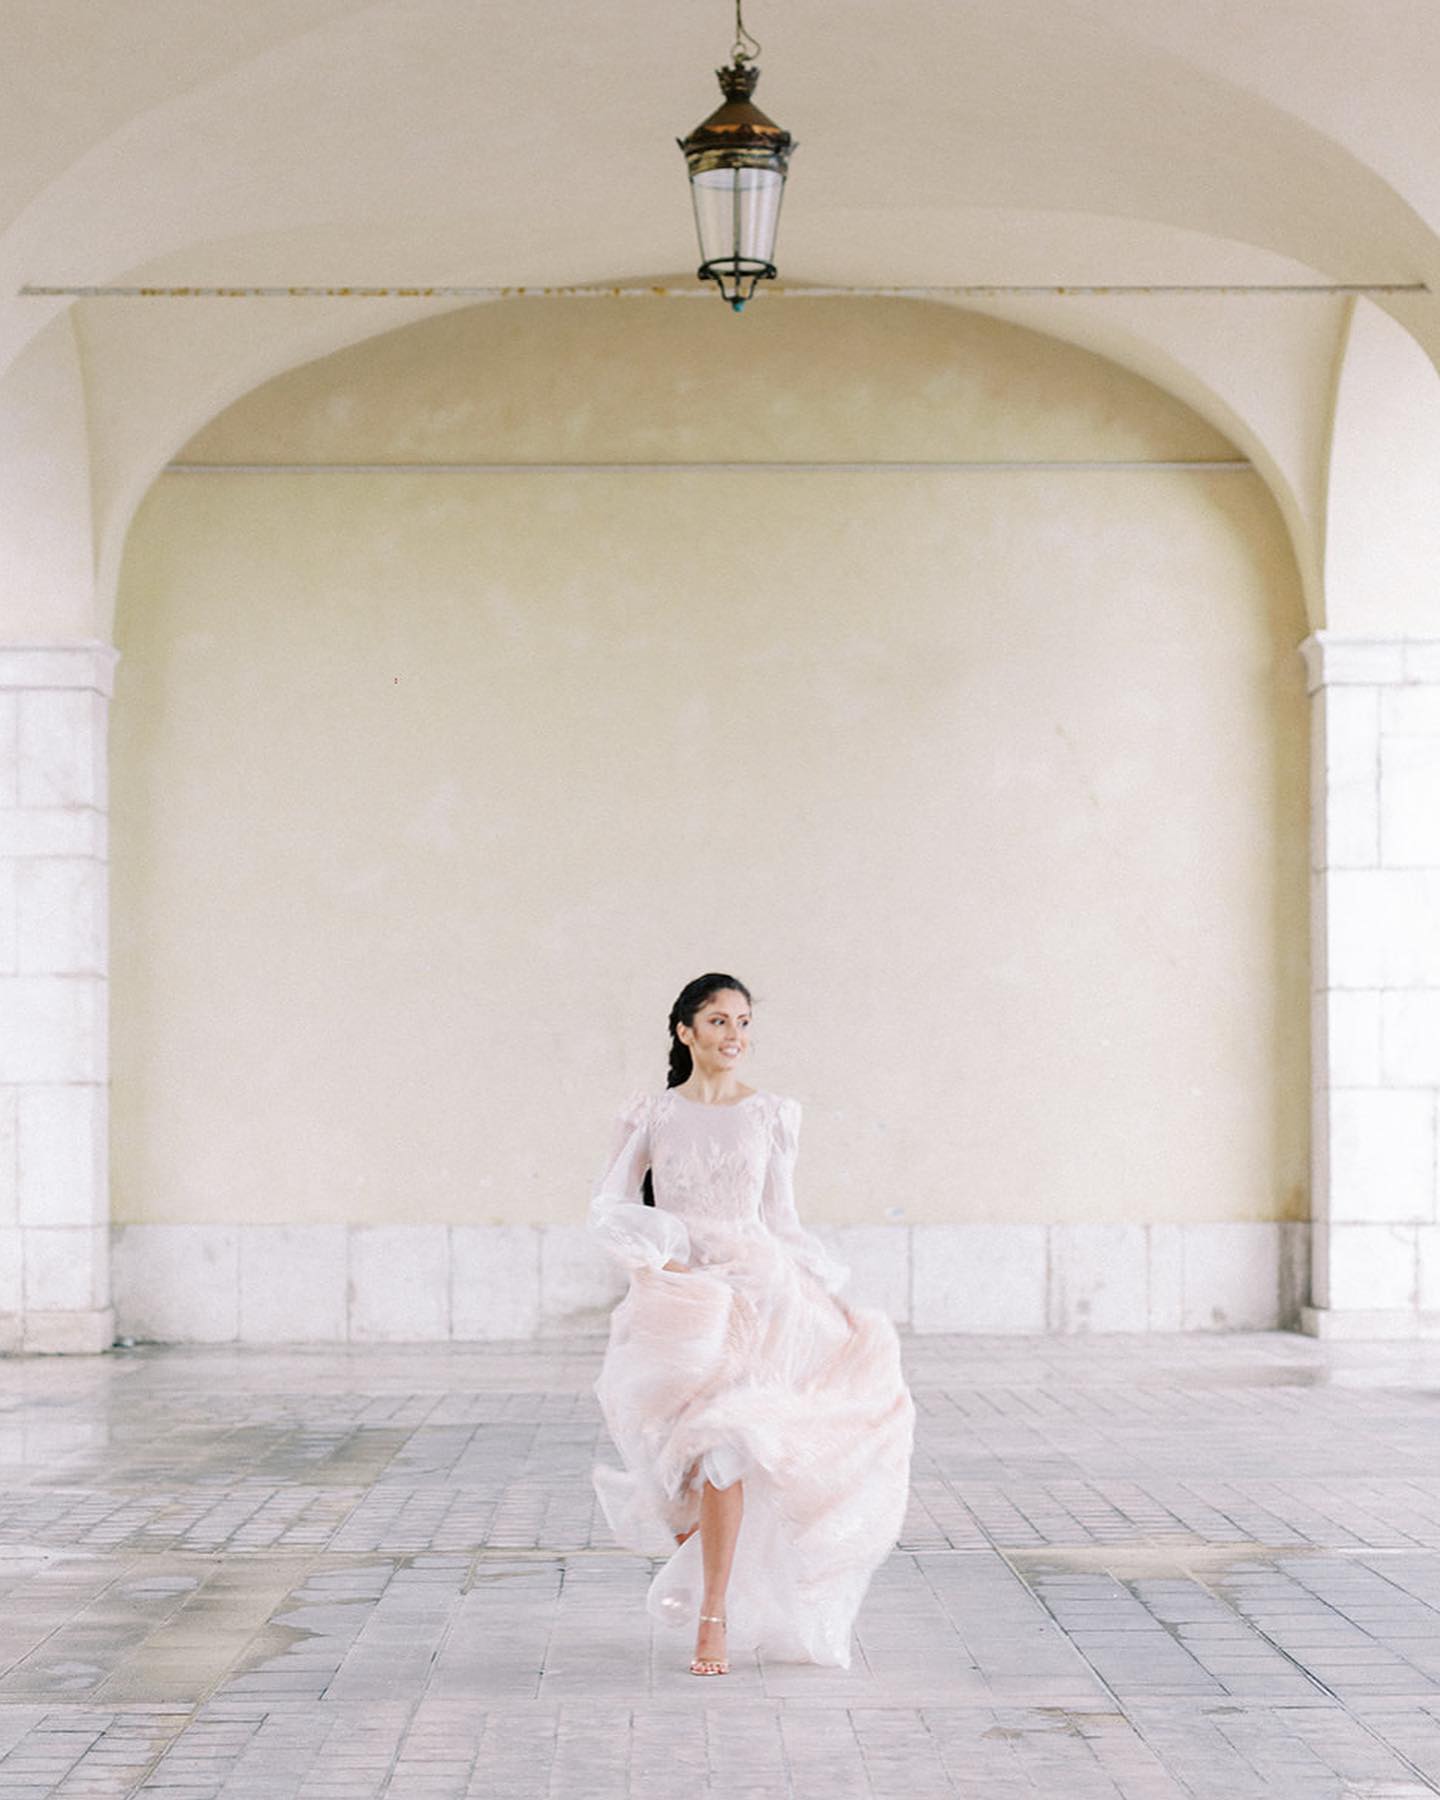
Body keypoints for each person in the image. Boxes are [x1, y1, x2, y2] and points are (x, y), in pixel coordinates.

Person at [587, 972, 915, 1676]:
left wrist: (829, 1290)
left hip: (761, 1294)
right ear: (685, 1032)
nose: (734, 1037)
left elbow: (781, 1220)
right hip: (684, 1299)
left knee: (729, 1448)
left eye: (742, 1024)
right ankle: (702, 1552)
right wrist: (660, 1260)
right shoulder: (652, 1114)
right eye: (718, 1023)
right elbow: (610, 1204)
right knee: (676, 1464)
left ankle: (714, 1617)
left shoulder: (772, 1115)